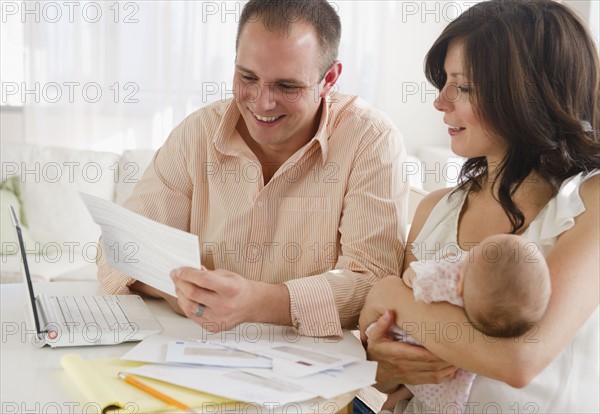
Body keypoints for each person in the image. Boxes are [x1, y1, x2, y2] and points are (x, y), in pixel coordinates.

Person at [97, 0, 408, 339]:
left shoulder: (371, 139)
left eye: (287, 87)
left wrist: (260, 302)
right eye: (248, 77)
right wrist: (184, 291)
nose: (262, 103)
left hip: (314, 366)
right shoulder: (198, 132)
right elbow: (119, 246)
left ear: (329, 79)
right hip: (197, 352)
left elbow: (374, 282)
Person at [359, 0, 600, 412]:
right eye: (444, 82)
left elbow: (519, 359)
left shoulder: (587, 203)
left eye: (463, 86)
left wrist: (387, 293)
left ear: (528, 95)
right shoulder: (434, 210)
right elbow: (388, 377)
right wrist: (384, 364)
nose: (440, 102)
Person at [365, 233, 551, 413]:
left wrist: (421, 272)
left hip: (411, 351)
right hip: (449, 391)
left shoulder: (450, 283)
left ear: (460, 285)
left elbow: (414, 278)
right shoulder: (492, 317)